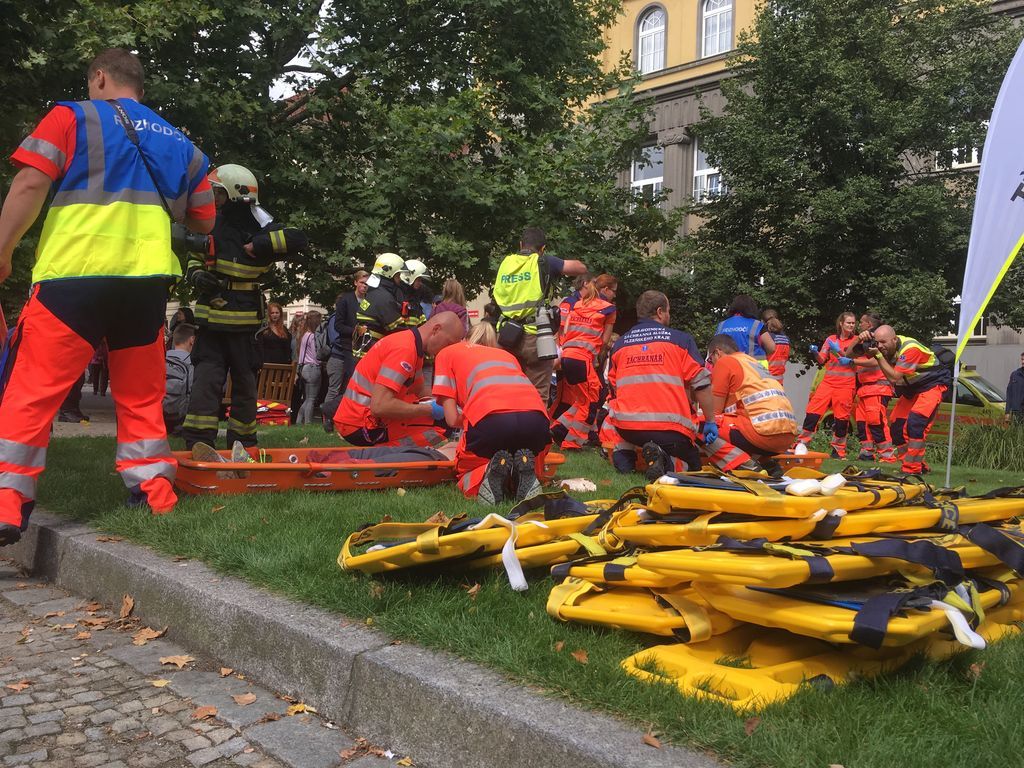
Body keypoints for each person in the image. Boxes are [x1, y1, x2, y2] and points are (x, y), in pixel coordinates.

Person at [0, 48, 215, 539]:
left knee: (31, 393)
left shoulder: (70, 116)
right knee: (141, 396)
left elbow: (31, 182)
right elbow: (203, 218)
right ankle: (155, 496)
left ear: (99, 77)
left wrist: (3, 250)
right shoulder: (182, 143)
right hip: (144, 285)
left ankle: (7, 504)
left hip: (74, 277)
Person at [180, 164, 308, 450]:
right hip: (212, 324)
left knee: (245, 390)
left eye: (218, 193)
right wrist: (197, 275)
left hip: (245, 327)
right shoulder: (210, 223)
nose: (213, 199)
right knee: (205, 385)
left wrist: (260, 244)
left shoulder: (259, 226)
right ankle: (199, 443)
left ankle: (243, 443)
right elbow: (193, 257)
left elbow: (297, 238)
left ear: (236, 195)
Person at [433, 323, 551, 504]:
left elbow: (451, 419)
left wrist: (465, 421)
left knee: (466, 467)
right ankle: (520, 474)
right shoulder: (507, 356)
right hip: (536, 421)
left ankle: (485, 472)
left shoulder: (447, 353)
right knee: (519, 453)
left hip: (491, 419)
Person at [604, 290, 717, 480]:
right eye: (668, 311)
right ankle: (666, 458)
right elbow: (701, 384)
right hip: (669, 429)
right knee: (693, 463)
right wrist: (711, 421)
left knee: (627, 425)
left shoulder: (620, 344)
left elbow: (614, 388)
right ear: (659, 312)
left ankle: (624, 458)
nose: (669, 315)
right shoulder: (681, 340)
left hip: (627, 428)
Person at [334, 311, 466, 447]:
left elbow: (419, 391)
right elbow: (379, 406)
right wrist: (430, 410)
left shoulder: (412, 346)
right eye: (449, 343)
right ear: (436, 330)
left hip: (360, 419)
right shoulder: (405, 350)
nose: (447, 350)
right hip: (362, 425)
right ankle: (389, 458)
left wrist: (454, 400)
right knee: (443, 424)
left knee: (444, 418)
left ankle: (393, 457)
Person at [492, 227, 588, 403]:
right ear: (543, 248)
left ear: (521, 244)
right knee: (536, 395)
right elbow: (580, 268)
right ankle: (534, 428)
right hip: (536, 336)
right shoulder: (543, 261)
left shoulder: (505, 264)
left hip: (506, 335)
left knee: (506, 391)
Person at [867, 325, 951, 474]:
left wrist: (878, 356)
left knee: (915, 424)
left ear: (894, 339)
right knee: (897, 429)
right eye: (877, 342)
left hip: (932, 386)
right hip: (913, 389)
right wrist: (860, 340)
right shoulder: (887, 348)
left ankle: (912, 469)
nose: (879, 346)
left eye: (883, 342)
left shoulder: (910, 349)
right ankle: (915, 464)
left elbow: (894, 377)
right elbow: (851, 354)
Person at [706, 334, 799, 466]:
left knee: (700, 423)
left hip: (761, 434)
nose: (712, 365)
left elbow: (713, 413)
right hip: (787, 435)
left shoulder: (724, 362)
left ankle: (743, 465)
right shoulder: (753, 363)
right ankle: (766, 463)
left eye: (710, 360)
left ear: (717, 352)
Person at [552, 274, 617, 450]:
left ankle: (559, 428)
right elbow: (605, 341)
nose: (614, 295)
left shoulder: (578, 304)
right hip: (583, 358)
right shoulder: (608, 309)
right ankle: (572, 442)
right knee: (591, 403)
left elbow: (565, 329)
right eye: (614, 291)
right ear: (605, 290)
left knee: (583, 399)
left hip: (567, 355)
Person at [797, 311, 859, 458]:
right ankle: (801, 444)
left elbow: (854, 361)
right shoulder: (831, 339)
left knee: (842, 419)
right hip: (828, 383)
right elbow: (821, 360)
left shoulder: (857, 341)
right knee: (812, 413)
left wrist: (837, 351)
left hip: (845, 385)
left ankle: (838, 450)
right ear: (841, 324)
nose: (851, 325)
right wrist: (815, 352)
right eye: (848, 322)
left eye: (853, 323)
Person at [321, 271, 369, 430]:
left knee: (356, 383)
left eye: (367, 283)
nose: (365, 286)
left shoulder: (370, 301)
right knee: (352, 381)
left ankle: (345, 415)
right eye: (362, 282)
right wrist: (355, 330)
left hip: (366, 346)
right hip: (348, 347)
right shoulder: (346, 301)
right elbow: (338, 326)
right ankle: (329, 414)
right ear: (355, 282)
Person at [354, 253, 419, 359]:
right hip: (373, 354)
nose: (400, 279)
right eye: (398, 275)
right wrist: (417, 337)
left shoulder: (374, 292)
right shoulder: (383, 297)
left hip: (365, 352)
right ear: (389, 275)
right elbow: (397, 328)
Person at [850, 312, 896, 461]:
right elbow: (849, 353)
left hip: (878, 388)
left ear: (869, 324)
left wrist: (854, 362)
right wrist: (858, 338)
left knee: (876, 422)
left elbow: (877, 360)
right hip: (865, 388)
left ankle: (887, 455)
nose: (859, 325)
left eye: (861, 322)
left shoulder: (879, 340)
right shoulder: (865, 339)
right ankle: (867, 452)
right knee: (862, 423)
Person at [715, 295, 776, 364]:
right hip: (753, 369)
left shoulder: (722, 325)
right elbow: (771, 348)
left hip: (727, 367)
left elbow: (714, 347)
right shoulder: (756, 325)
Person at [163, 323, 196, 435]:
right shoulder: (191, 363)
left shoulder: (162, 359)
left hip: (158, 416)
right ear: (192, 340)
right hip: (180, 418)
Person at [294, 311, 323, 424]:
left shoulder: (304, 335)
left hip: (304, 368)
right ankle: (308, 423)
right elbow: (316, 356)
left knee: (307, 399)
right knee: (311, 399)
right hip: (313, 368)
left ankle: (298, 421)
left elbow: (301, 354)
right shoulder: (313, 336)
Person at [762, 309, 789, 383]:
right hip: (779, 379)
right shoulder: (785, 339)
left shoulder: (766, 338)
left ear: (763, 322)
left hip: (766, 379)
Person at [1008, 352, 1024, 424]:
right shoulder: (1015, 375)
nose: (1023, 362)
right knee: (1017, 434)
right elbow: (1009, 394)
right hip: (1017, 413)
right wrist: (1007, 412)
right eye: (1022, 359)